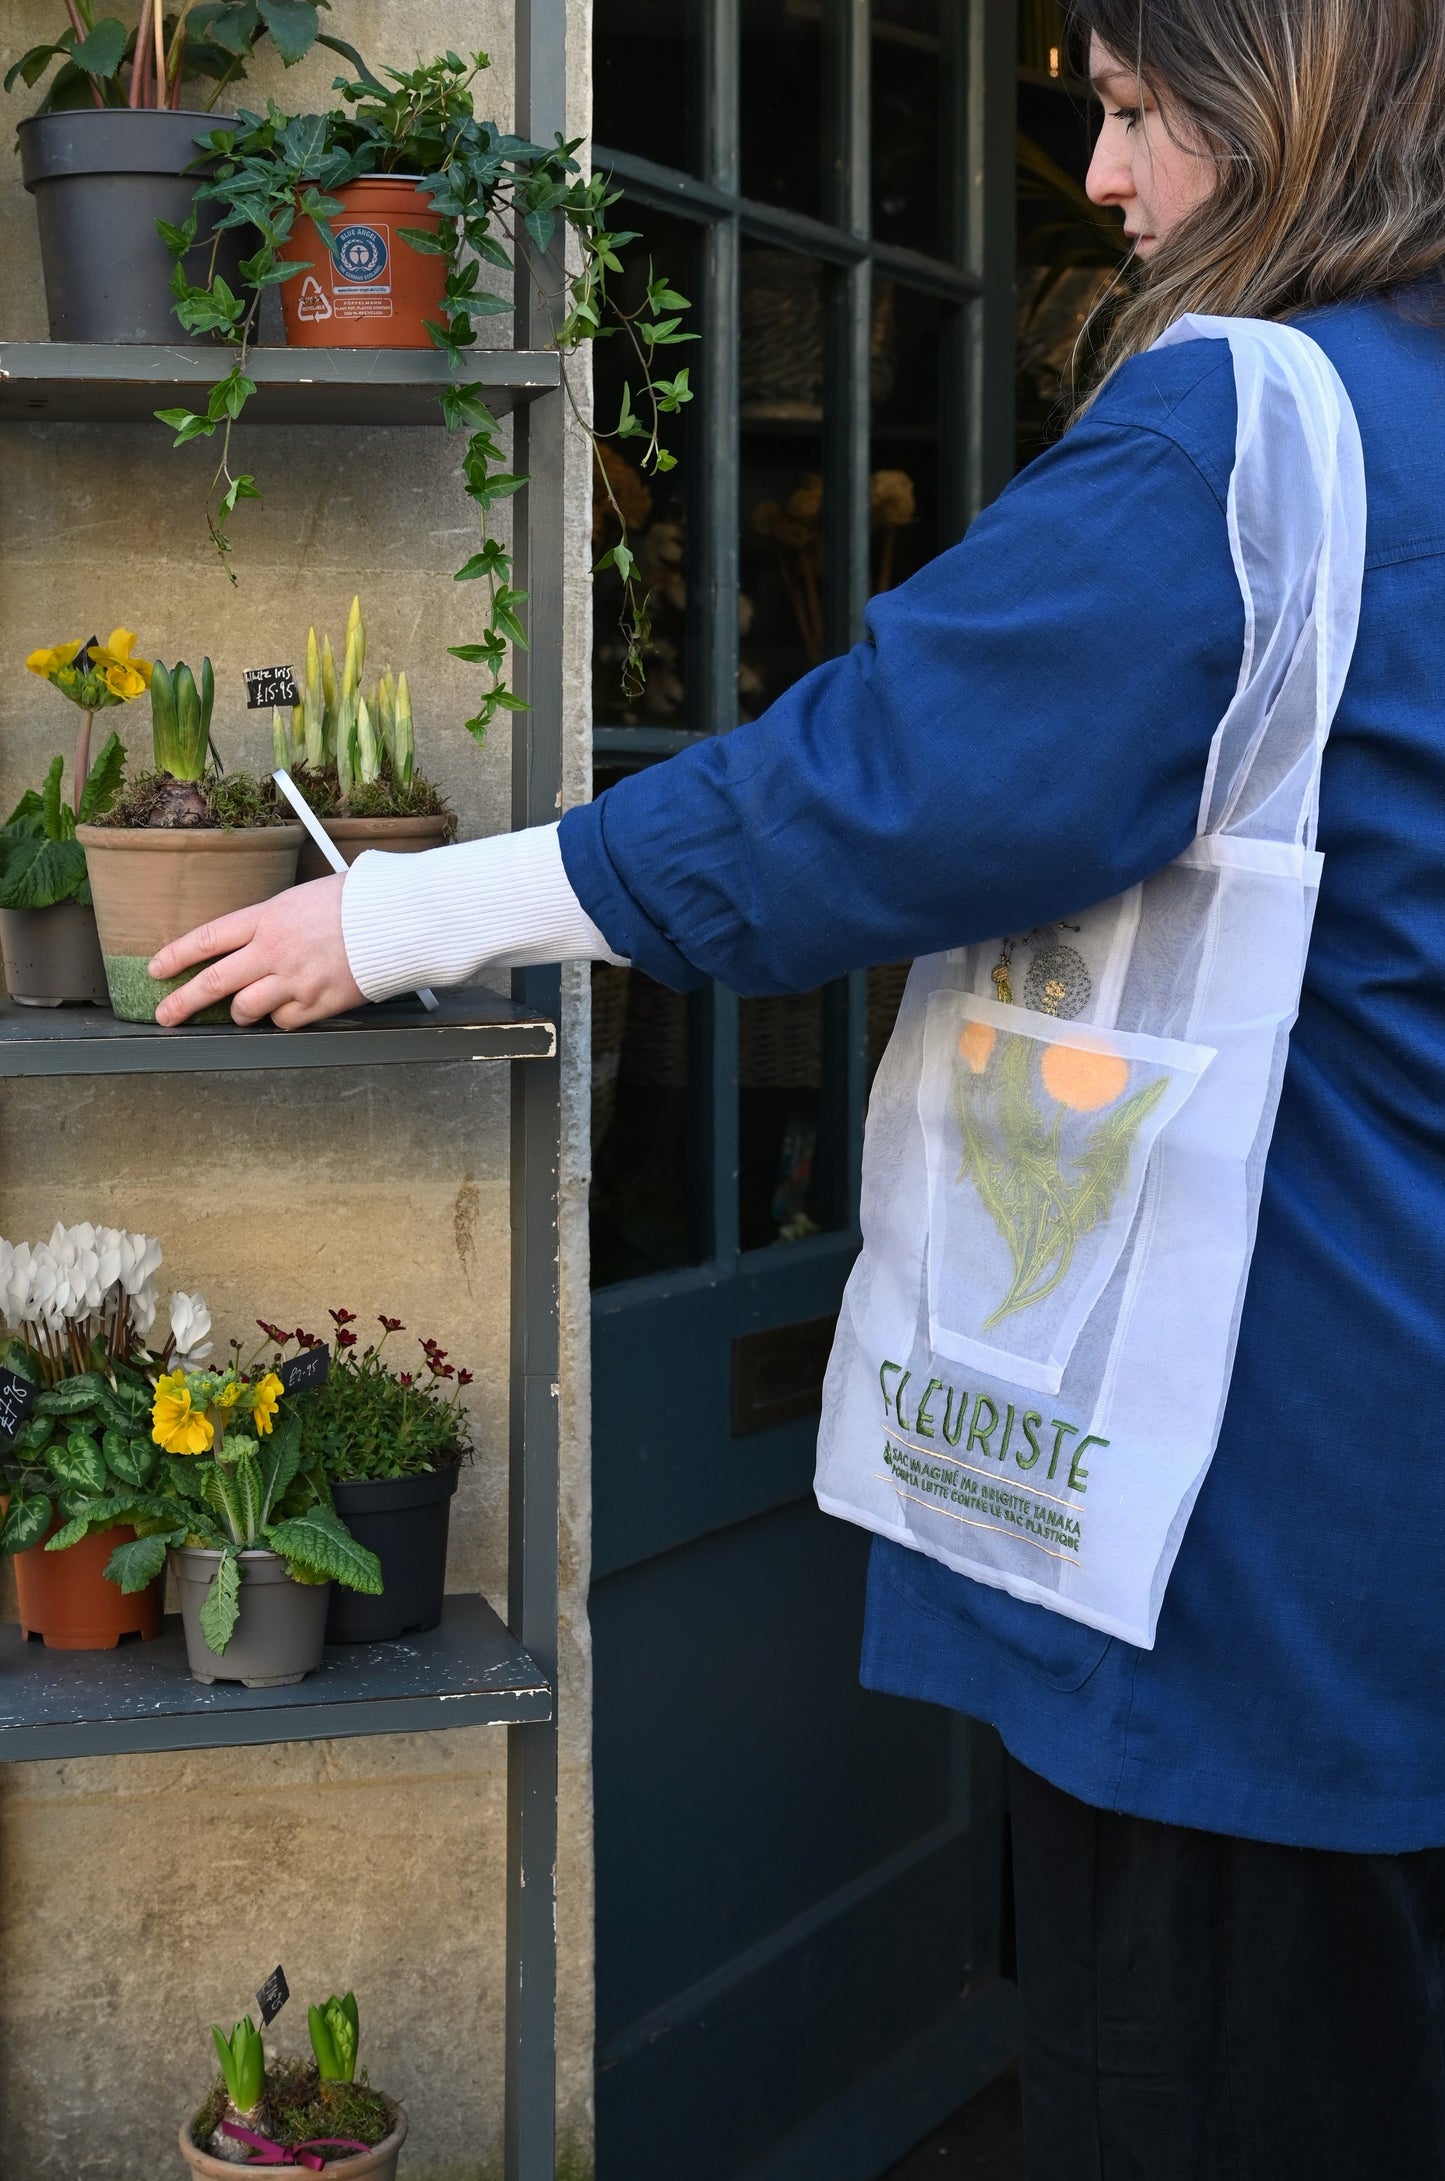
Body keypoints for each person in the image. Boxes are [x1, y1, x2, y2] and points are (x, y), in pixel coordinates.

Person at [150, 2, 1445, 2172]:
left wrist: (402, 915)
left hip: (1243, 1561)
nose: (1101, 176)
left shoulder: (1247, 430)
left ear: (1289, 101)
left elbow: (879, 782)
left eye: (1139, 110)